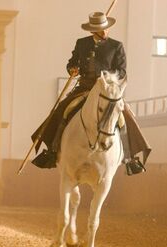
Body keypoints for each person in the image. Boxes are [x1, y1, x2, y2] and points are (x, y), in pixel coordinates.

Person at [31, 12, 151, 175]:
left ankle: (130, 158)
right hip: (85, 88)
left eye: (106, 29)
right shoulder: (82, 44)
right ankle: (51, 152)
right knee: (62, 110)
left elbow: (121, 71)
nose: (105, 32)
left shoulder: (116, 46)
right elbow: (72, 62)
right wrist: (72, 69)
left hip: (106, 89)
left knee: (125, 116)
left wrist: (107, 78)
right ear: (92, 31)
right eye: (101, 30)